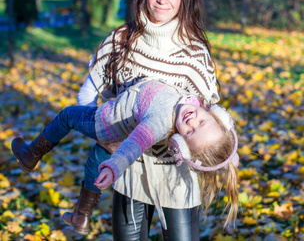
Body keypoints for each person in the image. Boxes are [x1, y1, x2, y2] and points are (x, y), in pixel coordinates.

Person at [79, 0, 227, 240]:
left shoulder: (195, 54)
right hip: (128, 169)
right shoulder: (121, 40)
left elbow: (207, 114)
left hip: (176, 175)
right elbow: (92, 90)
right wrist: (99, 131)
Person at [11, 79, 239, 235]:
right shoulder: (194, 105)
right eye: (202, 122)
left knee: (67, 116)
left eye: (189, 133)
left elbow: (133, 145)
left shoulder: (159, 122)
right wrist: (229, 155)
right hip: (117, 121)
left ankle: (31, 154)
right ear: (216, 115)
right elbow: (216, 133)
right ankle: (82, 215)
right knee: (96, 158)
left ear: (181, 145)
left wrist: (116, 166)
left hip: (104, 121)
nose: (191, 122)